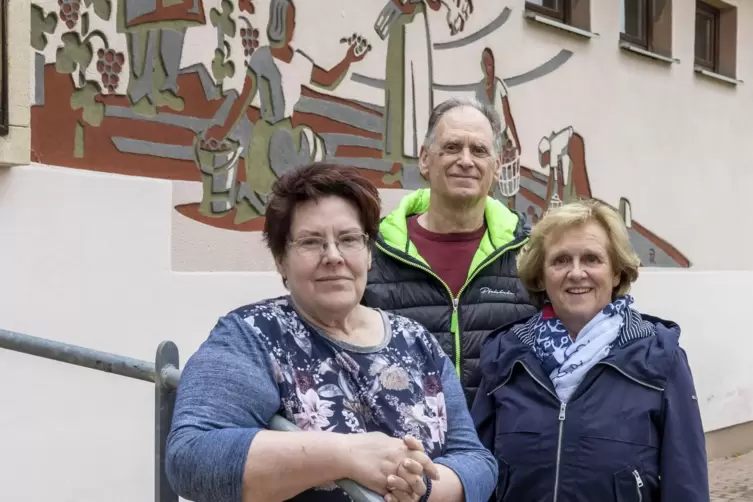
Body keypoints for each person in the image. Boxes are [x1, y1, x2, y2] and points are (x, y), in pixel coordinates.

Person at [165, 163, 497, 502]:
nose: (334, 256)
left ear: (369, 253)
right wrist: (346, 455)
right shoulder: (252, 337)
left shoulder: (416, 341)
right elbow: (192, 456)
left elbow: (475, 461)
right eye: (311, 242)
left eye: (349, 239)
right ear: (281, 259)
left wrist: (419, 487)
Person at [471, 199, 709, 501]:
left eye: (592, 259)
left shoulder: (659, 356)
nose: (576, 272)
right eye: (560, 261)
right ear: (542, 276)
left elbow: (686, 483)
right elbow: (477, 469)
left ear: (617, 273)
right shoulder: (505, 354)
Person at [363, 97, 537, 406]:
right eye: (452, 147)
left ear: (496, 167)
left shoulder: (531, 253)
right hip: (403, 448)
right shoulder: (373, 252)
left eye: (479, 150)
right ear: (425, 159)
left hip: (500, 447)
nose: (466, 161)